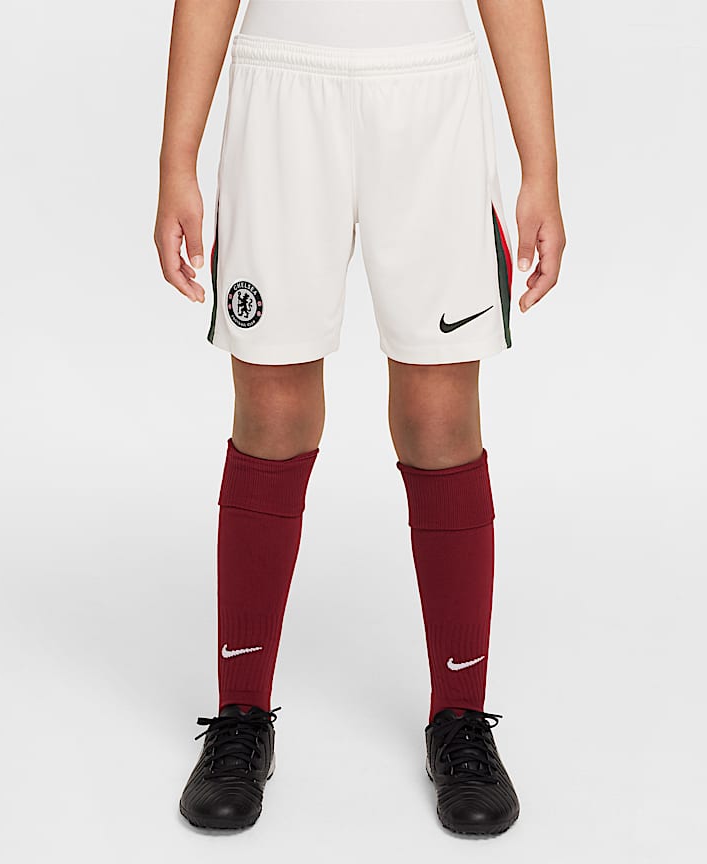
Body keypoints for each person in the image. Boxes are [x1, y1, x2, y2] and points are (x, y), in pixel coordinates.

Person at [154, 0, 565, 837]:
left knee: (440, 413)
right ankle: (241, 714)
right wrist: (176, 160)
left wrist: (541, 170)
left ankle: (460, 716)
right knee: (271, 405)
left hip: (428, 90)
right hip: (282, 82)